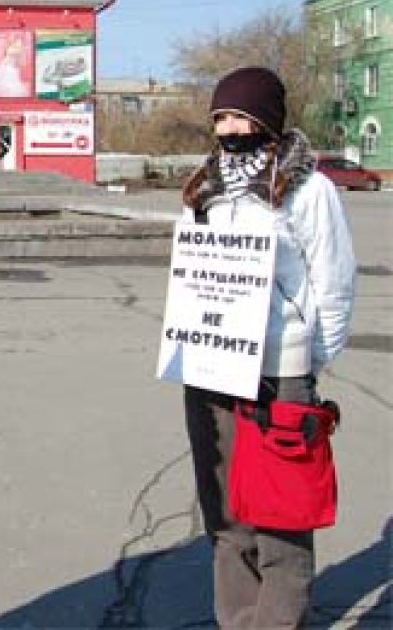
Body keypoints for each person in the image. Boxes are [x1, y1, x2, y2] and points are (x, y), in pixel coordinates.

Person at [180, 66, 356, 628]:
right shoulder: (203, 188)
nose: (230, 129)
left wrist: (310, 359)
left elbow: (333, 281)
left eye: (241, 116)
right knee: (227, 515)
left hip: (280, 368)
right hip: (212, 364)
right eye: (221, 118)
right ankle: (238, 619)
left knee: (280, 514)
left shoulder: (309, 189)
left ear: (268, 121)